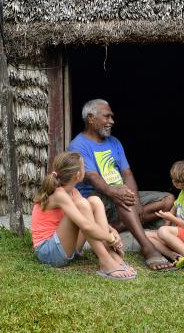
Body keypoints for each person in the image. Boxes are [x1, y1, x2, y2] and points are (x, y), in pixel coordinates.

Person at [68, 99, 176, 271]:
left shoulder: (114, 142)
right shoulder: (78, 145)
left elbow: (127, 173)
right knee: (122, 194)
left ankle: (120, 224)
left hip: (121, 196)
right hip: (98, 200)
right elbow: (93, 178)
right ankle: (147, 247)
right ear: (91, 118)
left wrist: (137, 203)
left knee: (168, 199)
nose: (112, 121)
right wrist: (117, 193)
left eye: (112, 116)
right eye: (107, 116)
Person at [31, 151, 137, 280]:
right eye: (84, 166)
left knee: (94, 201)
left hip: (66, 247)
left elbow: (88, 219)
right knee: (82, 205)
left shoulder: (73, 192)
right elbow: (86, 226)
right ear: (78, 175)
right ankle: (105, 261)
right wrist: (111, 238)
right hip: (49, 253)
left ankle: (109, 253)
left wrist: (111, 230)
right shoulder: (59, 194)